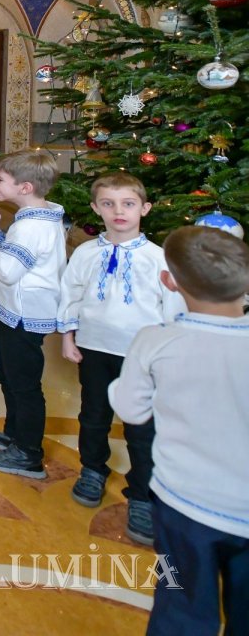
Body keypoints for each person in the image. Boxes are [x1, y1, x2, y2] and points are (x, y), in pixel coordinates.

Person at [109, 226, 249, 635]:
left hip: (184, 504)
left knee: (181, 607)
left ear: (169, 281)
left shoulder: (156, 341)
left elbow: (131, 410)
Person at [56, 172, 185, 545]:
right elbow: (70, 294)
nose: (119, 211)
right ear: (96, 208)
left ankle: (142, 494)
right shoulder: (86, 253)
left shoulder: (158, 258)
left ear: (144, 208)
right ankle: (93, 469)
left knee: (141, 427)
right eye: (108, 204)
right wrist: (67, 336)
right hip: (94, 348)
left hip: (141, 356)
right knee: (93, 415)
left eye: (128, 203)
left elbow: (172, 308)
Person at [0, 149, 65, 477]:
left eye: (0, 179)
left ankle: (27, 453)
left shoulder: (31, 227)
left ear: (25, 187)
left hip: (25, 315)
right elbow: (17, 258)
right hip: (16, 312)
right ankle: (15, 434)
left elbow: (8, 271)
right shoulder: (36, 217)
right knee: (6, 371)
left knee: (23, 384)